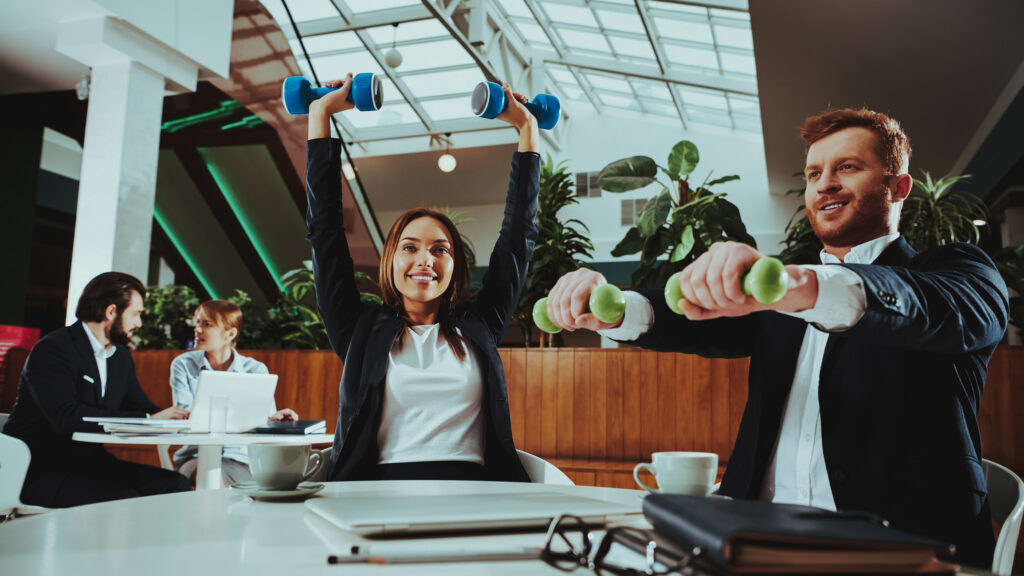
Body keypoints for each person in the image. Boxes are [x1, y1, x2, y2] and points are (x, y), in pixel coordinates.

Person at [545, 108, 1007, 567]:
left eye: (847, 166)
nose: (824, 183)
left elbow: (927, 305)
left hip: (897, 550)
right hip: (749, 541)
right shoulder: (781, 294)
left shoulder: (958, 273)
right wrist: (612, 308)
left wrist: (794, 287)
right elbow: (690, 317)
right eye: (813, 173)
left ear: (898, 187)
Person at [306, 74, 538, 481]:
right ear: (390, 261)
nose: (425, 260)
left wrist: (526, 127)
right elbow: (325, 231)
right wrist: (320, 112)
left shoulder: (479, 325)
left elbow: (518, 236)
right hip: (379, 492)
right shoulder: (359, 329)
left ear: (455, 265)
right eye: (410, 247)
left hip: (474, 492)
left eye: (440, 249)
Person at [2, 272, 193, 507]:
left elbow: (144, 409)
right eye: (136, 314)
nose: (139, 323)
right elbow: (66, 417)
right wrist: (148, 418)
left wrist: (179, 419)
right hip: (39, 469)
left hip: (90, 464)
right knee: (125, 500)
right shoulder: (53, 349)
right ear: (111, 311)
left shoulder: (120, 357)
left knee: (176, 486)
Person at [169, 300, 299, 486]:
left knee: (218, 477)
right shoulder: (183, 365)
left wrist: (274, 420)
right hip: (194, 457)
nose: (197, 329)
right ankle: (217, 514)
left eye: (207, 324)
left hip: (241, 460)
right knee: (209, 472)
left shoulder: (255, 370)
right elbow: (187, 415)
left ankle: (214, 514)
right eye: (197, 323)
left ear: (230, 334)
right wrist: (246, 421)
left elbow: (264, 422)